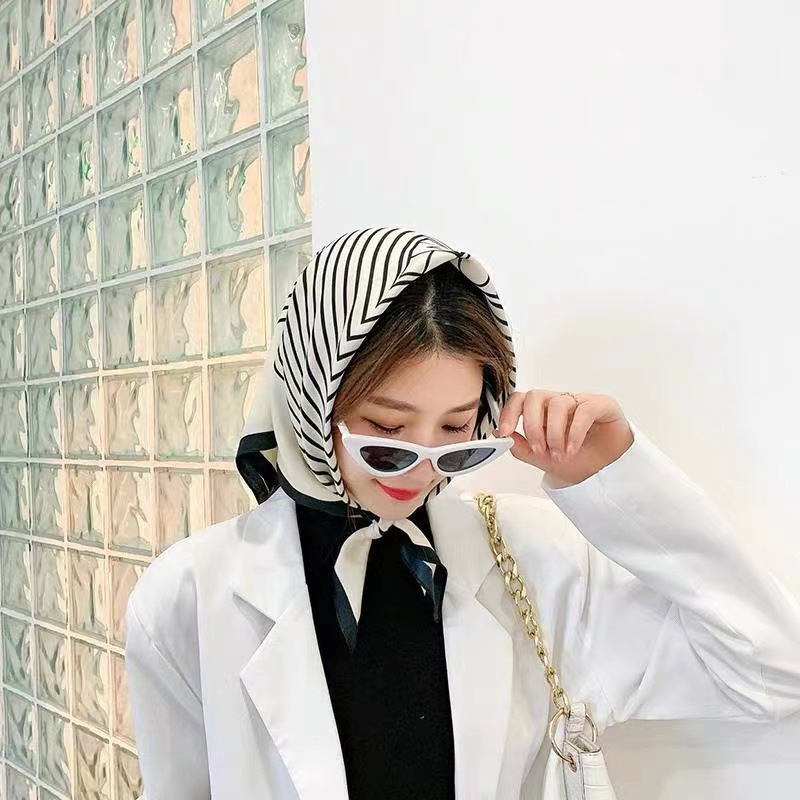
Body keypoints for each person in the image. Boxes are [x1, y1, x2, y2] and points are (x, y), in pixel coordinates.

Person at [124, 226, 800, 800]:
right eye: (387, 435)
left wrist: (615, 481)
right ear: (309, 399)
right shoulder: (190, 598)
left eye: (455, 435)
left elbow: (773, 671)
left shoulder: (530, 558)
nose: (421, 472)